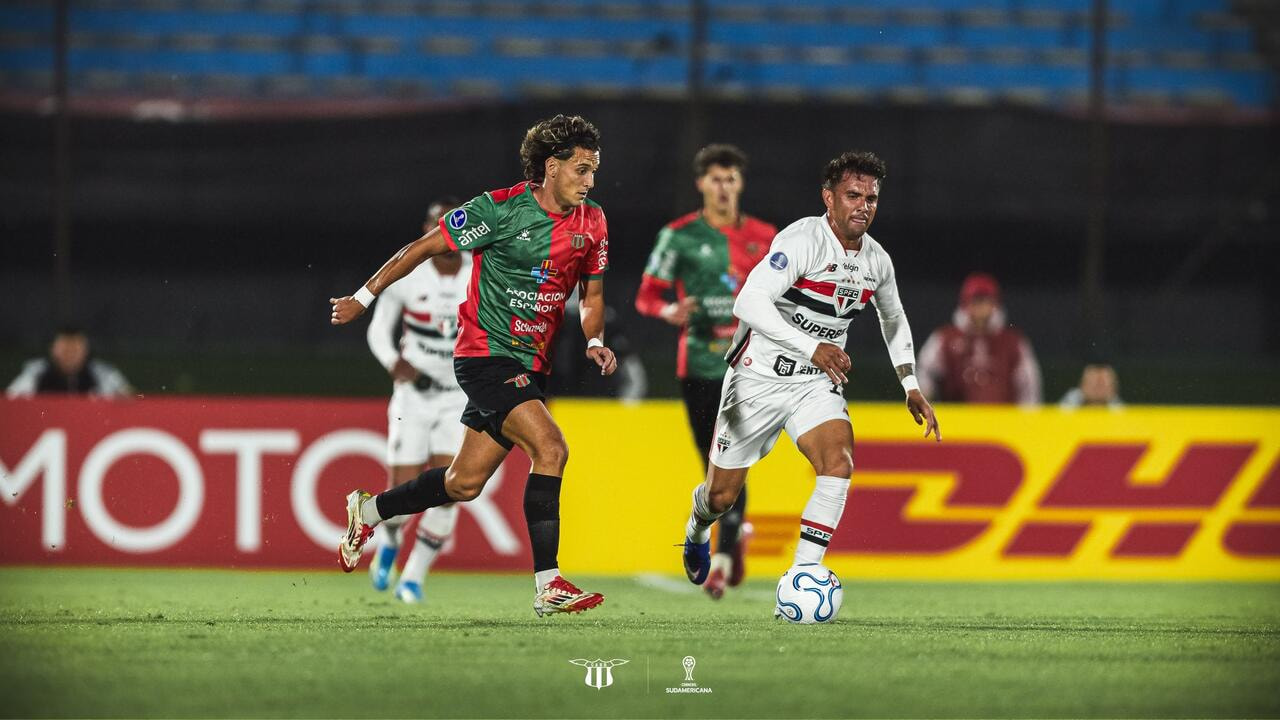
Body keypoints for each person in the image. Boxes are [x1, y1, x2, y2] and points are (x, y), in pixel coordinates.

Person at [330, 114, 616, 616]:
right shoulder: (498, 210)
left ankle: (368, 511)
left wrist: (593, 337)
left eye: (593, 172)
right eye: (582, 170)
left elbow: (592, 293)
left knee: (462, 483)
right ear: (551, 167)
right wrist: (363, 297)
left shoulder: (592, 221)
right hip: (485, 356)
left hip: (532, 363)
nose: (590, 182)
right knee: (551, 448)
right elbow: (421, 248)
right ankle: (548, 584)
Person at [679, 151, 941, 592]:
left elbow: (893, 319)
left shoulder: (877, 261)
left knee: (838, 462)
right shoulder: (802, 241)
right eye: (853, 195)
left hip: (814, 383)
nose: (864, 206)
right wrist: (812, 346)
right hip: (758, 376)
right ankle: (696, 527)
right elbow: (748, 302)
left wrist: (910, 383)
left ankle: (803, 574)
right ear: (829, 198)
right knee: (721, 498)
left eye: (872, 198)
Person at [635, 143, 774, 599]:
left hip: (751, 367)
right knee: (713, 467)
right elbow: (646, 295)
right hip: (696, 366)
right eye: (715, 178)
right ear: (700, 184)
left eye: (730, 178)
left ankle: (723, 558)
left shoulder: (766, 238)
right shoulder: (677, 236)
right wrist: (669, 310)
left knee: (737, 460)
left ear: (741, 184)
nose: (723, 187)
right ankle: (729, 543)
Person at [364, 196, 470, 604]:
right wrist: (395, 364)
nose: (443, 235)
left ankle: (413, 577)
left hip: (458, 395)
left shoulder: (478, 272)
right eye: (435, 226)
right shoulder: (407, 273)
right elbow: (378, 332)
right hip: (413, 397)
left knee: (451, 487)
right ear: (426, 230)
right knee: (403, 496)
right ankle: (390, 542)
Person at [916, 272, 1042, 407]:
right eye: (976, 300)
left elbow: (1029, 385)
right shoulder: (945, 338)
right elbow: (924, 371)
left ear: (995, 304)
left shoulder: (1012, 341)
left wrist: (1027, 419)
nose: (981, 307)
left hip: (1002, 421)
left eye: (986, 300)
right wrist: (928, 403)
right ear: (966, 303)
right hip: (957, 420)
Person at [7, 326, 133, 398]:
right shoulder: (37, 373)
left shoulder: (102, 373)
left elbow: (133, 399)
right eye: (65, 349)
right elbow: (11, 400)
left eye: (75, 349)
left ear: (86, 351)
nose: (70, 354)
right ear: (53, 350)